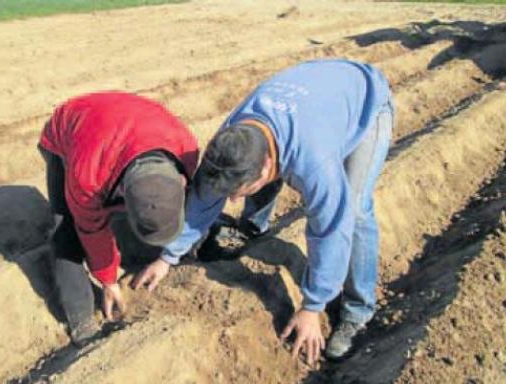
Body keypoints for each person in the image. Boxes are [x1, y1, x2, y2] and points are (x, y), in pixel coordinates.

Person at [136, 59, 394, 363]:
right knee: (244, 181)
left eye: (238, 193)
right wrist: (168, 256)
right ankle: (253, 231)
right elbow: (205, 196)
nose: (231, 202)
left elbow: (331, 228)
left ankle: (358, 311)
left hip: (366, 102)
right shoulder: (233, 137)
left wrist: (312, 307)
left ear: (268, 166)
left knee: (355, 208)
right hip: (316, 97)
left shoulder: (315, 163)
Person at [38, 92, 198, 346]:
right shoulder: (87, 178)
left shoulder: (187, 150)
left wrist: (169, 256)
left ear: (181, 180)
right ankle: (81, 321)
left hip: (130, 124)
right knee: (66, 230)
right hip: (71, 130)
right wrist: (108, 280)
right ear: (122, 190)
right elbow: (92, 231)